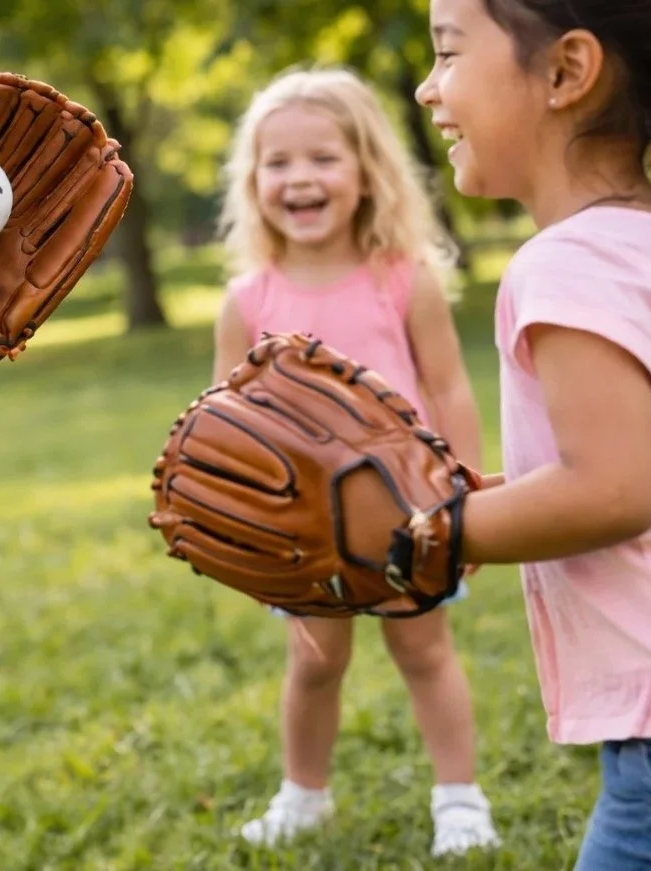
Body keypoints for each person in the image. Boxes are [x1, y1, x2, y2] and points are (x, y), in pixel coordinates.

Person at [415, 0, 651, 867]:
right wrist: (488, 502)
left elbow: (611, 490)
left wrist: (427, 534)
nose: (427, 88)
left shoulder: (572, 262)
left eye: (448, 53)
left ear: (565, 72)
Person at [212, 65, 500, 857]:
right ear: (254, 180)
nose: (299, 177)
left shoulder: (403, 282)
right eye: (278, 162)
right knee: (314, 661)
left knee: (424, 650)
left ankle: (461, 800)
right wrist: (245, 526)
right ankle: (304, 796)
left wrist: (465, 504)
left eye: (323, 158)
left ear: (368, 172)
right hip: (303, 526)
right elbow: (225, 429)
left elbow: (449, 389)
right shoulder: (247, 301)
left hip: (409, 511)